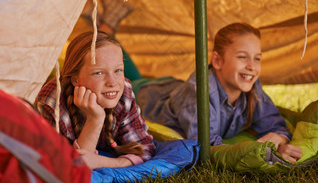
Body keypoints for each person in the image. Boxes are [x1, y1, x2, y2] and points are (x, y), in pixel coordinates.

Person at [137, 22, 302, 163]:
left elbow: (274, 122)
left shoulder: (251, 86)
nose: (252, 66)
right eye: (243, 57)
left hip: (173, 86)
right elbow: (208, 147)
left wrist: (278, 139)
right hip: (146, 93)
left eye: (257, 58)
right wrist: (266, 154)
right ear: (217, 61)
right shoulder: (198, 93)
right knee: (122, 68)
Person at [35, 31, 155, 170]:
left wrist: (107, 162)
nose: (112, 82)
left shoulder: (124, 91)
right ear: (75, 79)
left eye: (118, 70)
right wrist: (95, 119)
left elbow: (144, 147)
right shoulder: (51, 103)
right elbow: (68, 168)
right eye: (98, 73)